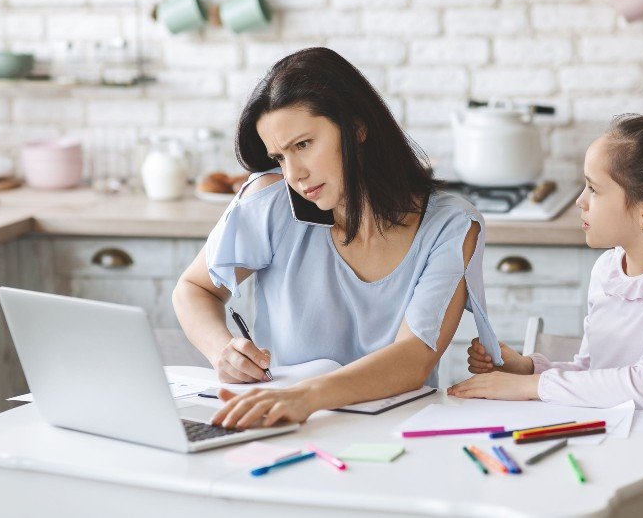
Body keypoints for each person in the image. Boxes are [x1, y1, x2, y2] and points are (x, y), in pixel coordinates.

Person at [172, 47, 500, 430]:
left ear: (357, 129)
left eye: (303, 145)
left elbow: (415, 357)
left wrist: (306, 397)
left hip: (393, 437)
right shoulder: (271, 203)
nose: (294, 173)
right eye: (279, 157)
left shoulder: (452, 225)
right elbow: (194, 288)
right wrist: (221, 351)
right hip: (283, 427)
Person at [450, 115, 643, 475]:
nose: (581, 202)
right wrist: (528, 368)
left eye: (594, 189)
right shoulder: (606, 270)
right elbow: (594, 371)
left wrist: (531, 387)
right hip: (604, 452)